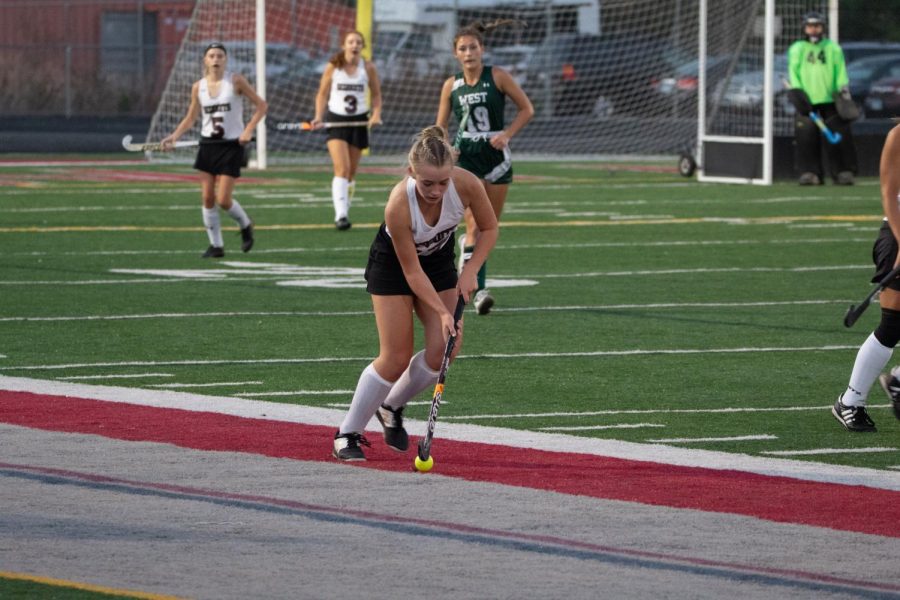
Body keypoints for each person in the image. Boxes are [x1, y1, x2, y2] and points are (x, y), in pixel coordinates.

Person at [332, 126, 499, 461]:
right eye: (427, 183)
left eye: (443, 182)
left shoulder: (467, 184)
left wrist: (469, 270)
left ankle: (392, 405)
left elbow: (490, 228)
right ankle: (347, 433)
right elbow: (411, 271)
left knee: (445, 349)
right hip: (394, 265)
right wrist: (441, 310)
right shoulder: (398, 204)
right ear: (412, 173)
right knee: (394, 356)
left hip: (438, 261)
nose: (436, 191)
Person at [436, 19, 534, 315]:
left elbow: (527, 109)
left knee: (489, 226)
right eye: (463, 49)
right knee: (476, 225)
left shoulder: (498, 76)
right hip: (466, 157)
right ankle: (477, 291)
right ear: (456, 54)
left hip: (496, 156)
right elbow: (440, 125)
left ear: (483, 49)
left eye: (473, 47)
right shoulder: (452, 85)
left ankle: (468, 258)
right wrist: (446, 146)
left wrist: (506, 134)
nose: (469, 53)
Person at [162, 42, 266, 258]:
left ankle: (246, 225)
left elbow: (261, 105)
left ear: (225, 59)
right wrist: (174, 137)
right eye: (212, 56)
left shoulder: (235, 81)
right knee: (207, 198)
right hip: (208, 145)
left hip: (231, 146)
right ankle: (216, 246)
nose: (216, 59)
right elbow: (191, 118)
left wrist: (247, 130)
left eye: (220, 55)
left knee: (223, 200)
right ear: (205, 60)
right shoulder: (197, 87)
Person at [833, 123, 900, 432]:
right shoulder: (897, 137)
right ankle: (851, 401)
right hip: (897, 232)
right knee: (893, 323)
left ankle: (898, 381)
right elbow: (889, 195)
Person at [312, 30, 383, 231]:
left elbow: (376, 95)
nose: (354, 45)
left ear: (363, 46)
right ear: (344, 45)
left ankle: (345, 207)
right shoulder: (333, 67)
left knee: (351, 173)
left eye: (358, 42)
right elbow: (322, 94)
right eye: (351, 42)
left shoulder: (368, 67)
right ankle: (340, 215)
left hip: (359, 121)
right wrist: (318, 116)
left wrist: (376, 115)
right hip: (336, 120)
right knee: (341, 169)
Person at [787, 11, 857, 186]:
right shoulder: (797, 49)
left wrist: (842, 90)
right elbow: (793, 73)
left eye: (817, 26)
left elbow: (840, 71)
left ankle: (842, 172)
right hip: (807, 102)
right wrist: (798, 94)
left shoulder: (833, 48)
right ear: (804, 28)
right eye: (810, 26)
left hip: (831, 100)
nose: (814, 30)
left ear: (823, 28)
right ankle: (810, 173)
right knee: (806, 138)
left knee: (839, 136)